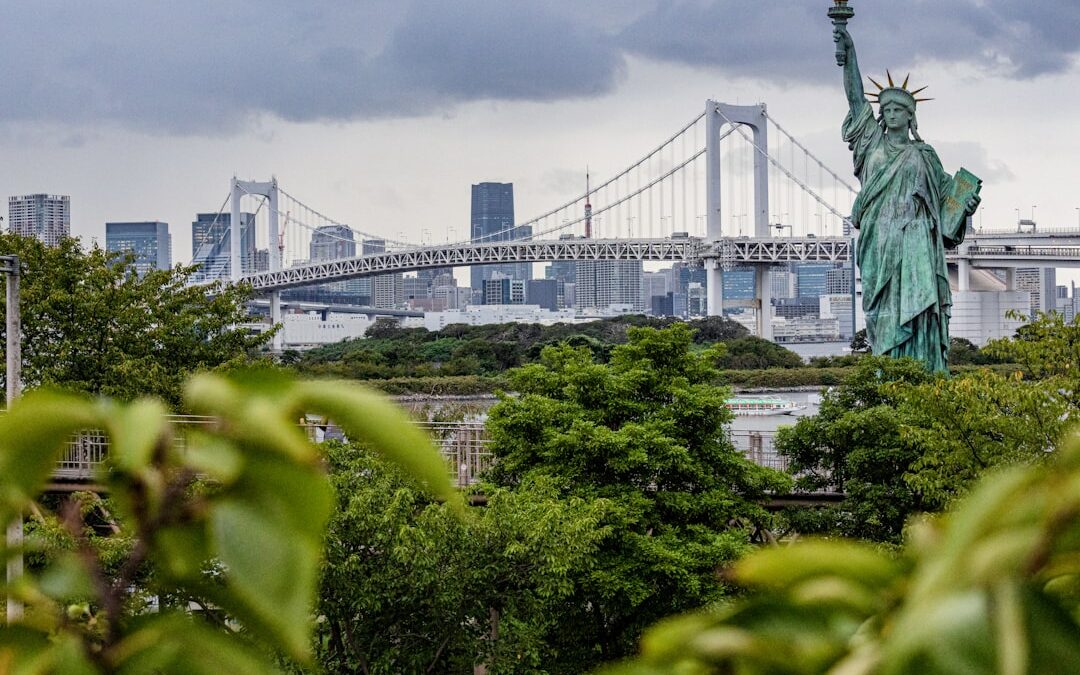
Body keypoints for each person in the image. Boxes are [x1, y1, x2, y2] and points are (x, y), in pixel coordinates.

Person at [834, 24, 980, 372]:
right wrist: (848, 52)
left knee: (921, 314)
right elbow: (855, 99)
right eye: (887, 110)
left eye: (899, 110)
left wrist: (967, 208)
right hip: (879, 242)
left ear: (911, 116)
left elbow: (948, 204)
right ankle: (889, 377)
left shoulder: (924, 155)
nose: (892, 114)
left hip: (917, 245)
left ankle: (925, 374)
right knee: (884, 316)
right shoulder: (870, 143)